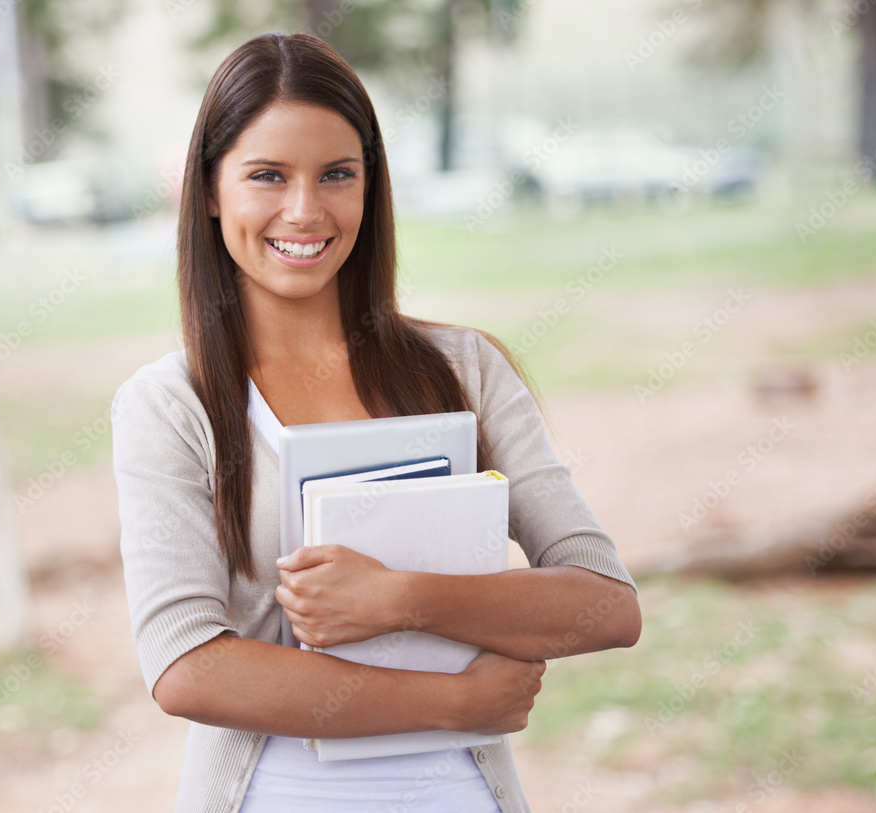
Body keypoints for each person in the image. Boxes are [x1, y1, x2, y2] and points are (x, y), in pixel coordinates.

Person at [112, 31, 640, 813]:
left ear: (370, 185)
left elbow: (607, 603)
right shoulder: (170, 404)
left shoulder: (464, 370)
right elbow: (188, 665)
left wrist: (402, 597)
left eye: (337, 174)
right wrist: (452, 703)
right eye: (267, 175)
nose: (305, 209)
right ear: (212, 190)